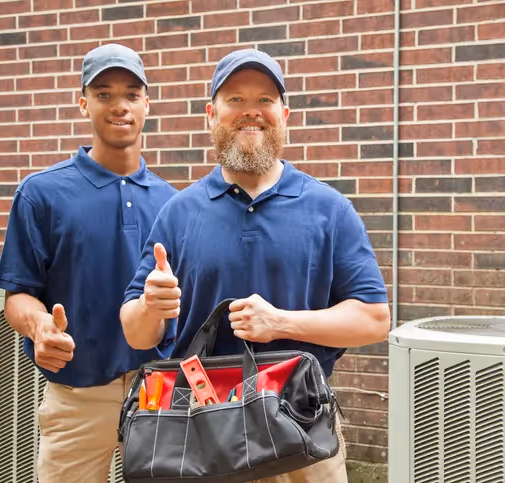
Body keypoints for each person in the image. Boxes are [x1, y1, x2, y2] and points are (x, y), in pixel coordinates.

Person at [120, 48, 391, 482]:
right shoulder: (178, 212)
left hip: (302, 432)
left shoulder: (330, 209)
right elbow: (136, 332)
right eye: (235, 100)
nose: (252, 112)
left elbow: (374, 320)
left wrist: (281, 322)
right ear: (212, 113)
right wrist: (151, 307)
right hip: (199, 433)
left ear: (285, 113)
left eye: (265, 100)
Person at [0, 43, 178, 482]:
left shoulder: (175, 204)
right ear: (83, 103)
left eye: (132, 94)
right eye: (104, 93)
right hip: (77, 397)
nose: (120, 106)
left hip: (159, 394)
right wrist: (39, 326)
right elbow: (18, 295)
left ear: (147, 103)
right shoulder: (41, 194)